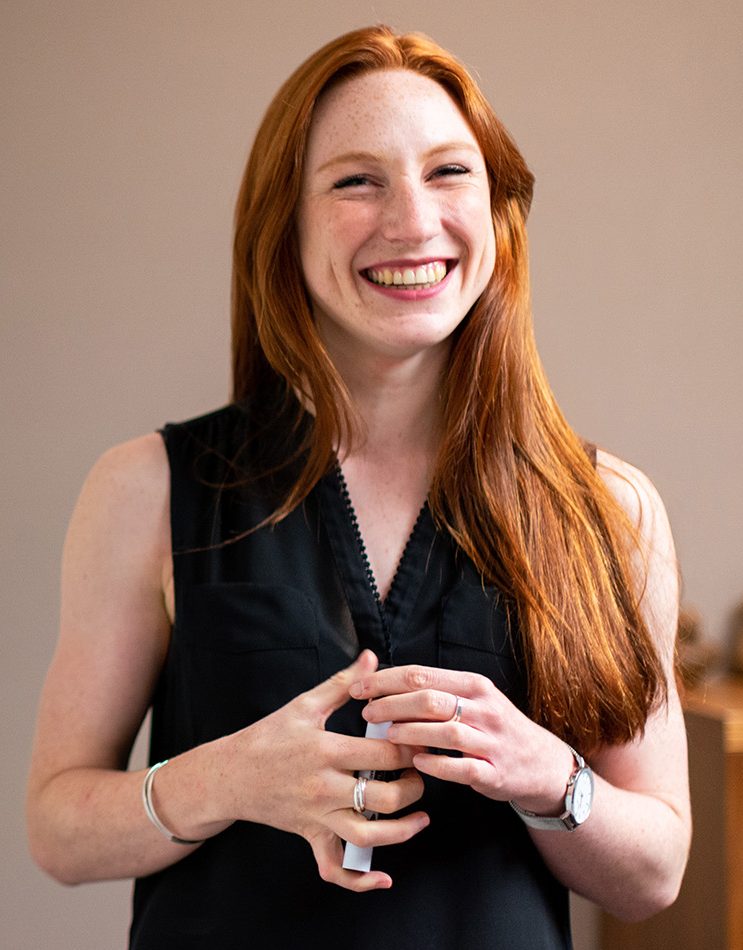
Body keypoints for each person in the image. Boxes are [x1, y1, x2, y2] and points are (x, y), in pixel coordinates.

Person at [26, 25, 691, 949]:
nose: (414, 222)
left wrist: (547, 776)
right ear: (283, 228)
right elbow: (58, 830)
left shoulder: (611, 510)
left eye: (448, 172)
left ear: (496, 208)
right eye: (355, 181)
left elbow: (655, 872)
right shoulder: (147, 489)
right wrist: (225, 779)